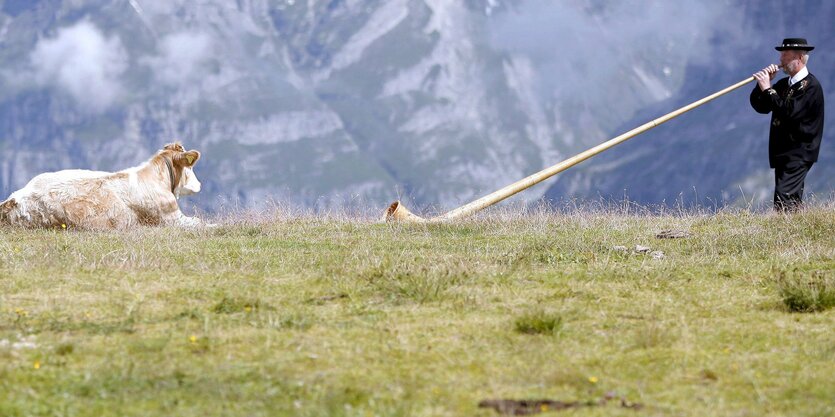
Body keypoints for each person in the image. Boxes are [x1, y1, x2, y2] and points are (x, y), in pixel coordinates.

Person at [750, 38, 825, 212]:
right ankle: (795, 232)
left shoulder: (810, 86)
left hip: (799, 150)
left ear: (798, 58)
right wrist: (761, 86)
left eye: (785, 55)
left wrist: (768, 89)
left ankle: (783, 235)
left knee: (783, 196)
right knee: (790, 199)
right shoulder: (784, 84)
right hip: (783, 150)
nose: (780, 59)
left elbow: (790, 113)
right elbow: (762, 106)